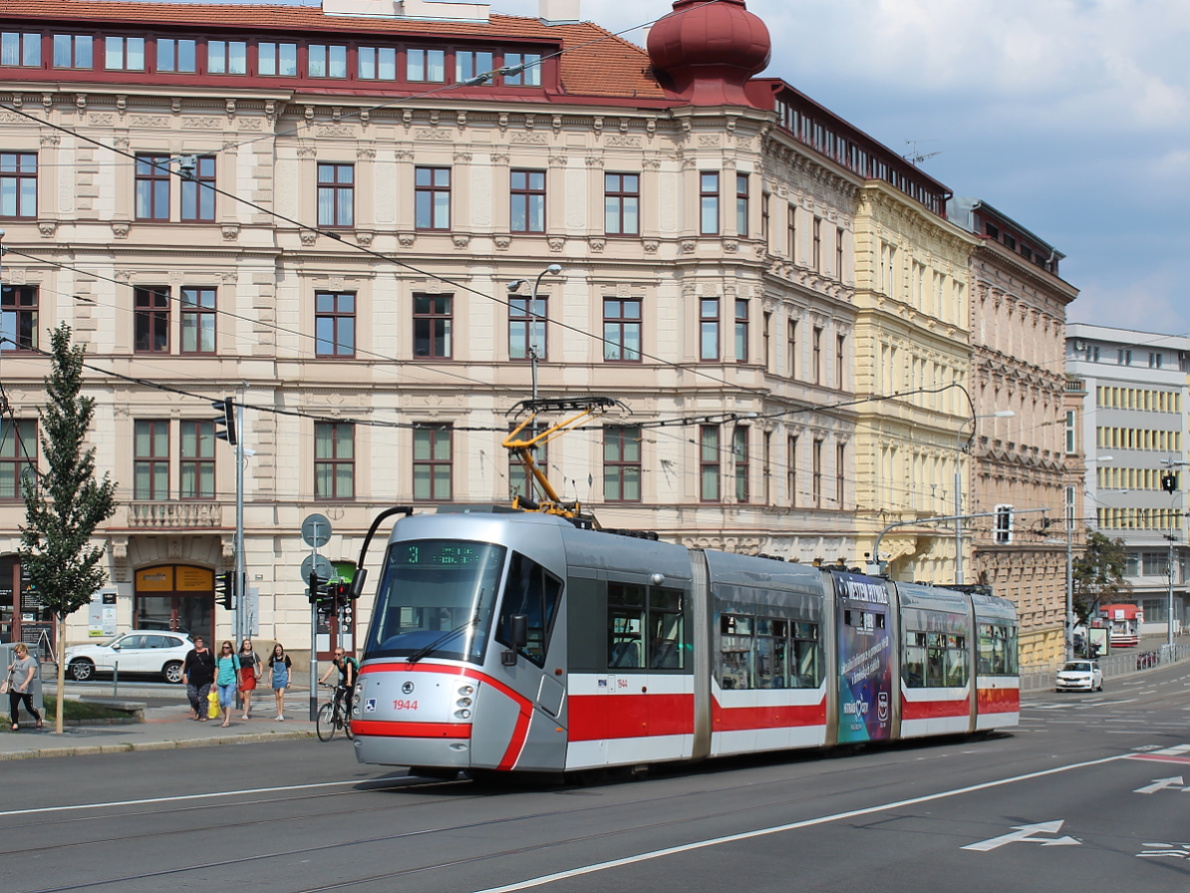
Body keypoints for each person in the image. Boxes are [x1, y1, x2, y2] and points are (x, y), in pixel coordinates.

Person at [6, 643, 43, 731]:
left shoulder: (31, 661)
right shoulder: (16, 659)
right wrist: (11, 669)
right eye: (17, 652)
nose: (18, 654)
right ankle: (15, 723)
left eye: (19, 652)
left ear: (25, 651)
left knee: (29, 707)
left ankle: (38, 718)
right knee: (13, 704)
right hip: (15, 686)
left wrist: (25, 684)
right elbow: (16, 670)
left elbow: (31, 674)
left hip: (26, 688)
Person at [182, 636, 216, 722]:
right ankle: (197, 710)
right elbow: (187, 666)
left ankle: (203, 715)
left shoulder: (208, 652)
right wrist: (185, 675)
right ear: (194, 643)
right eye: (198, 642)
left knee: (203, 697)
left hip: (205, 679)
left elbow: (213, 665)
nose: (199, 643)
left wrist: (214, 677)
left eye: (201, 642)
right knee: (192, 695)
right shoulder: (191, 653)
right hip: (192, 679)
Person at [318, 647, 355, 717]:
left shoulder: (348, 660)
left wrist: (349, 682)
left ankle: (349, 715)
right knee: (337, 697)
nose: (336, 656)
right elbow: (330, 670)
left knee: (348, 697)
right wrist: (322, 680)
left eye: (339, 654)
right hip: (346, 679)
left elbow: (349, 671)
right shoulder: (336, 661)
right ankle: (335, 717)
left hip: (354, 679)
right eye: (335, 654)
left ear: (343, 655)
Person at [214, 641, 240, 728]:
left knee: (227, 699)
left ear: (230, 648)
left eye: (227, 647)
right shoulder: (219, 656)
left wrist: (240, 680)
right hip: (221, 682)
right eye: (223, 647)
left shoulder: (234, 657)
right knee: (221, 701)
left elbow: (238, 669)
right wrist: (214, 680)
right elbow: (217, 668)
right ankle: (226, 715)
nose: (225, 649)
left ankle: (227, 720)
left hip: (231, 682)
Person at [237, 639, 261, 720]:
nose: (248, 645)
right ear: (243, 646)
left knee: (247, 694)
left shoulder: (254, 654)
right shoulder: (239, 655)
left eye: (249, 643)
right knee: (241, 696)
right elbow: (236, 666)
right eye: (246, 644)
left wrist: (260, 673)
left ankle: (245, 714)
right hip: (241, 676)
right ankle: (248, 706)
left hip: (250, 676)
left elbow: (260, 664)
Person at [267, 643, 292, 721]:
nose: (278, 651)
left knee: (281, 695)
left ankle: (281, 714)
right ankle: (279, 713)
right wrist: (268, 680)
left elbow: (289, 669)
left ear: (282, 650)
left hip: (283, 677)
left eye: (279, 650)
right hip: (276, 678)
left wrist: (289, 681)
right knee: (277, 696)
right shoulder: (273, 659)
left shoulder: (285, 657)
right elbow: (271, 670)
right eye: (277, 650)